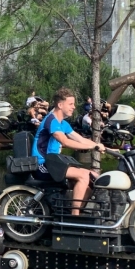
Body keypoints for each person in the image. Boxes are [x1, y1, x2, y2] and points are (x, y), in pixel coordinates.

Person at [33, 88, 107, 216]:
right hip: (41, 165)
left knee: (92, 176)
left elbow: (80, 139)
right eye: (70, 104)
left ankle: (75, 212)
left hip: (53, 163)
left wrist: (99, 145)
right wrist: (93, 147)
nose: (73, 107)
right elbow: (65, 141)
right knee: (83, 176)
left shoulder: (63, 124)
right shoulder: (51, 121)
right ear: (60, 105)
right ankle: (75, 215)